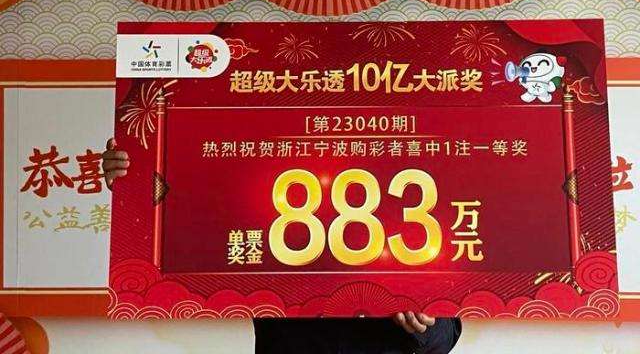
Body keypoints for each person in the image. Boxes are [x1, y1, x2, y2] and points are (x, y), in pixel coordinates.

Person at [103, 139, 461, 354]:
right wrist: (134, 178)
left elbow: (446, 337)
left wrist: (426, 324)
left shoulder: (412, 226)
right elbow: (188, 219)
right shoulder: (263, 203)